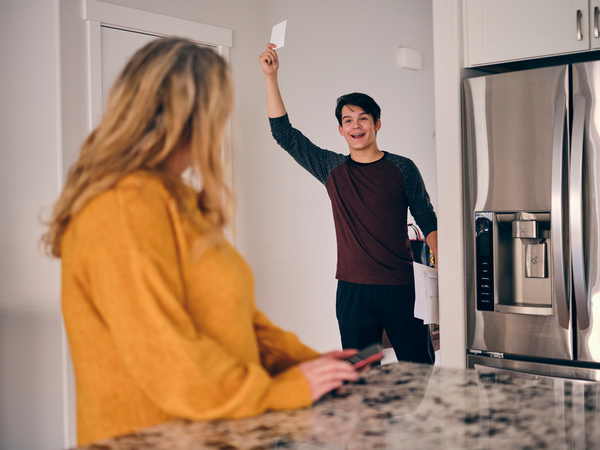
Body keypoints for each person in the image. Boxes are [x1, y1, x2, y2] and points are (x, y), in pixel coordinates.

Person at [41, 38, 359, 446]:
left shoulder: (176, 200)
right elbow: (166, 360)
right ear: (192, 117)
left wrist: (306, 364)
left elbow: (237, 319)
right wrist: (286, 390)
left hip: (216, 431)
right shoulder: (120, 207)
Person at [259, 44, 438, 365]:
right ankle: (373, 417)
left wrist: (450, 275)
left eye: (363, 119)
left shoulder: (403, 168)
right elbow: (284, 134)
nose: (356, 126)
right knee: (359, 376)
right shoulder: (333, 170)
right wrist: (271, 77)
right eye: (348, 120)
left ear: (377, 124)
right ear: (341, 130)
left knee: (420, 366)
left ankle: (404, 416)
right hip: (353, 291)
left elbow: (428, 220)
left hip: (401, 286)